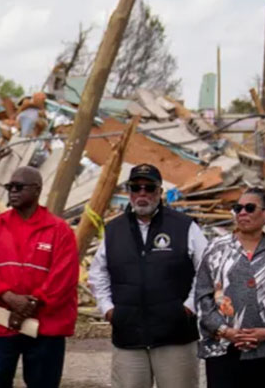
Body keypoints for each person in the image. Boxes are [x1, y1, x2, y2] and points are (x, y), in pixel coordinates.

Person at [87, 164, 208, 388]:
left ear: (160, 192)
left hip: (175, 336)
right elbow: (97, 273)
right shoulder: (114, 230)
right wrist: (108, 308)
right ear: (129, 192)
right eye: (136, 188)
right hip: (128, 336)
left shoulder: (184, 227)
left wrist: (190, 306)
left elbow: (207, 269)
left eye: (149, 188)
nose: (142, 194)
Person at [0, 166, 78, 388]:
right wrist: (8, 297)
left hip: (46, 325)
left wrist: (35, 302)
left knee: (43, 383)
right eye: (10, 187)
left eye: (19, 187)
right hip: (3, 322)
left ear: (37, 190)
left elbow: (64, 276)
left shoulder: (59, 230)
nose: (13, 192)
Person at [195, 187, 265, 388]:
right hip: (224, 348)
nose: (242, 213)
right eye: (238, 208)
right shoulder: (216, 248)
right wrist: (224, 329)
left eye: (249, 208)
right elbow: (203, 294)